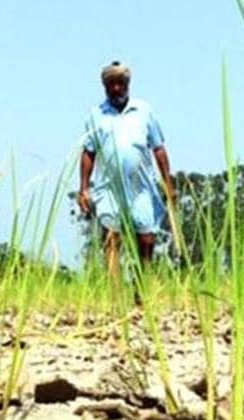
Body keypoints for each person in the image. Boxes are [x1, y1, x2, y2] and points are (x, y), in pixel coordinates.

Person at [77, 61, 176, 284]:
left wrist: (168, 183)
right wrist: (83, 188)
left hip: (141, 186)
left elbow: (158, 148)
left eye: (120, 83)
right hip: (109, 186)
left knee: (147, 239)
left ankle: (142, 291)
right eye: (110, 84)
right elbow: (88, 152)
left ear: (127, 84)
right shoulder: (96, 115)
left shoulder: (144, 111)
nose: (116, 89)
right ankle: (115, 296)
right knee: (111, 238)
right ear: (104, 87)